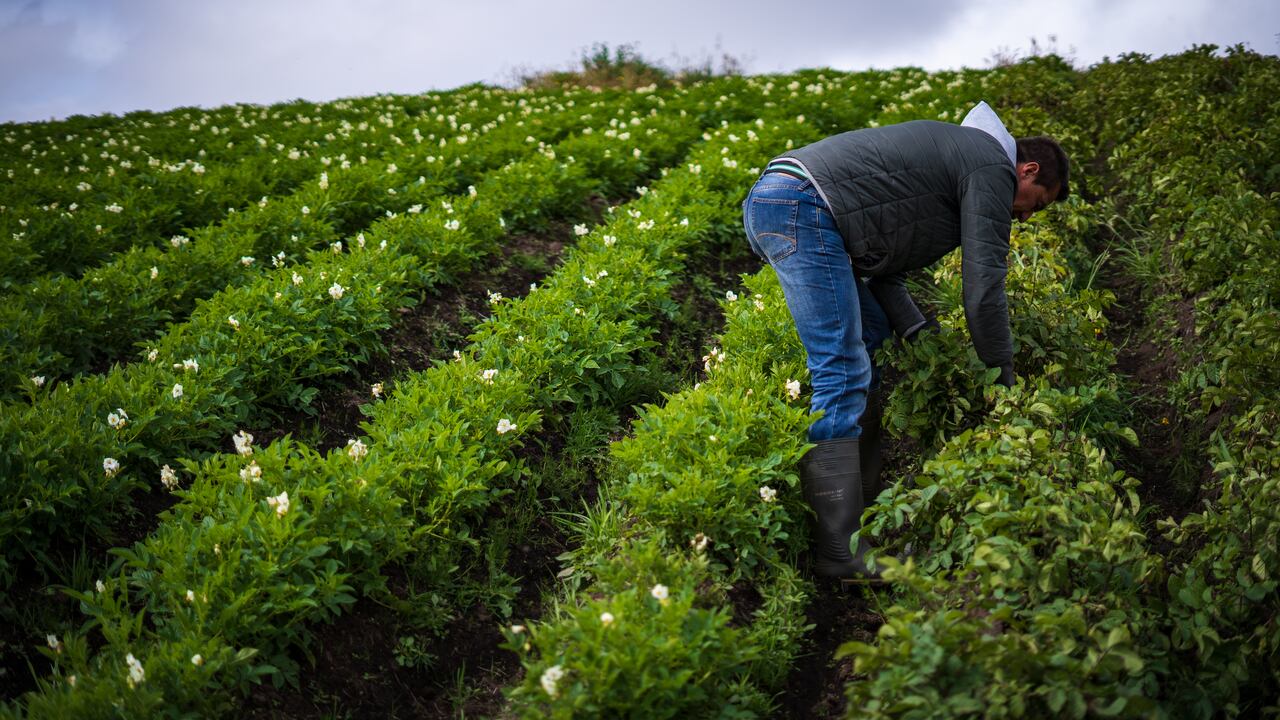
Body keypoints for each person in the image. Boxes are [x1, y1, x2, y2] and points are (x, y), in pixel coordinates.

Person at [741, 101, 1069, 581]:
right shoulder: (989, 165)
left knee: (870, 338)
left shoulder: (961, 162)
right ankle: (840, 550)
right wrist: (1002, 382)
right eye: (1034, 204)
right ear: (1027, 169)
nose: (1022, 218)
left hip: (788, 200)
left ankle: (864, 508)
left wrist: (918, 330)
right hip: (802, 205)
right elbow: (983, 292)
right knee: (841, 366)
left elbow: (884, 269)